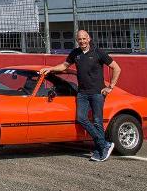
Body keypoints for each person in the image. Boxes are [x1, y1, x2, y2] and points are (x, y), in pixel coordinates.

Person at [40, 30, 121, 162]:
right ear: (77, 41)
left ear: (89, 39)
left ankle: (101, 149)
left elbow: (116, 68)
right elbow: (64, 66)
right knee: (81, 118)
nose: (82, 41)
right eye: (80, 39)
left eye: (84, 38)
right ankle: (104, 144)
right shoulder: (75, 53)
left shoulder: (98, 52)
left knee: (97, 121)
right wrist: (50, 69)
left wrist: (110, 87)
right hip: (82, 93)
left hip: (97, 93)